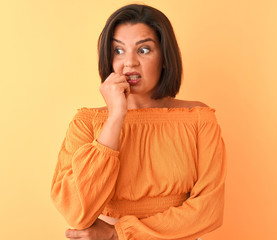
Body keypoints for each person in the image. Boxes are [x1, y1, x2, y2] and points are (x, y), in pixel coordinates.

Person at [50, 4, 226, 240]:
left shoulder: (198, 119)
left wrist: (117, 234)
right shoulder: (86, 122)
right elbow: (76, 212)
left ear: (164, 57)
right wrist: (115, 118)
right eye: (118, 51)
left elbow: (208, 212)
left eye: (143, 50)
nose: (129, 62)